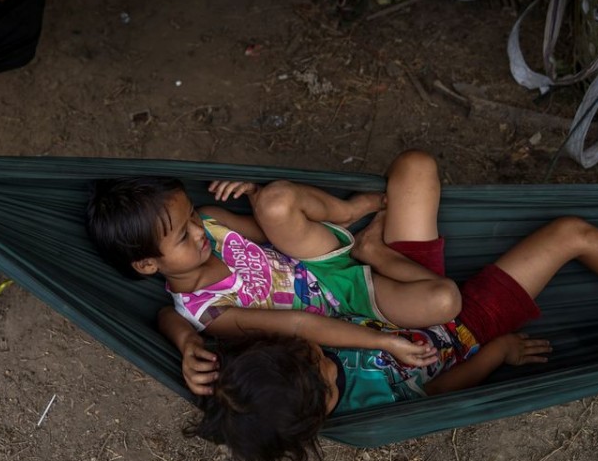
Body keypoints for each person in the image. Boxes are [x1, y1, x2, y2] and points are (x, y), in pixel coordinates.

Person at [160, 202, 598, 461]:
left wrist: (186, 342)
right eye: (328, 380)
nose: (326, 360)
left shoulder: (263, 370)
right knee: (570, 234)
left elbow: (170, 313)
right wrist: (497, 352)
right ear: (317, 418)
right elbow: (440, 391)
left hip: (394, 289)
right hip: (468, 327)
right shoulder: (363, 410)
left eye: (311, 355)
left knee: (415, 169)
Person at [87, 151, 462, 366]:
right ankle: (372, 250)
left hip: (316, 253)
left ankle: (348, 212)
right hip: (346, 303)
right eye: (184, 235)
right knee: (445, 301)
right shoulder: (208, 312)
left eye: (192, 218)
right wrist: (384, 343)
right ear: (147, 264)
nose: (198, 230)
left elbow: (272, 230)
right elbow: (299, 324)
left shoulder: (211, 223)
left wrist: (256, 194)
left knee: (275, 202)